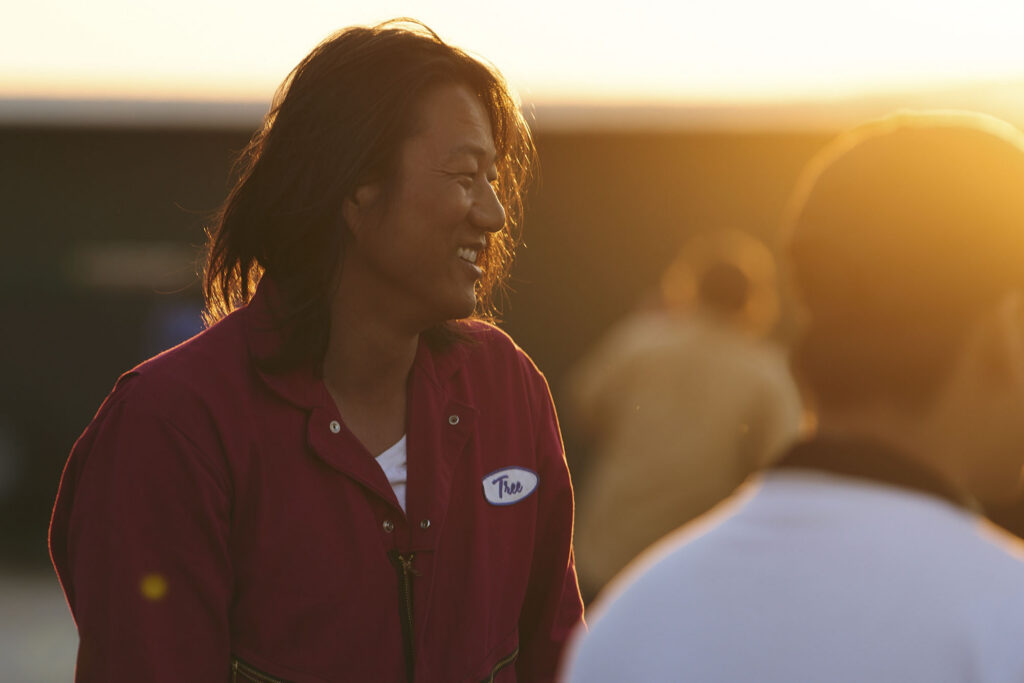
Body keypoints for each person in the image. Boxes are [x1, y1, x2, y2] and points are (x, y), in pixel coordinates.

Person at [50, 20, 583, 682]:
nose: (495, 214)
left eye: (495, 179)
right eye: (466, 175)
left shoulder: (509, 390)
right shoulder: (173, 425)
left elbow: (560, 656)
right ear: (357, 184)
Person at [562, 111, 1024, 682]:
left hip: (603, 563)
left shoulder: (623, 632)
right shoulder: (1005, 620)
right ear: (1007, 328)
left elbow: (581, 410)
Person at [568, 229, 801, 599]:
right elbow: (786, 460)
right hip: (689, 571)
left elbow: (582, 405)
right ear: (756, 300)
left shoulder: (641, 338)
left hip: (603, 554)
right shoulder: (765, 373)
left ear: (689, 284)